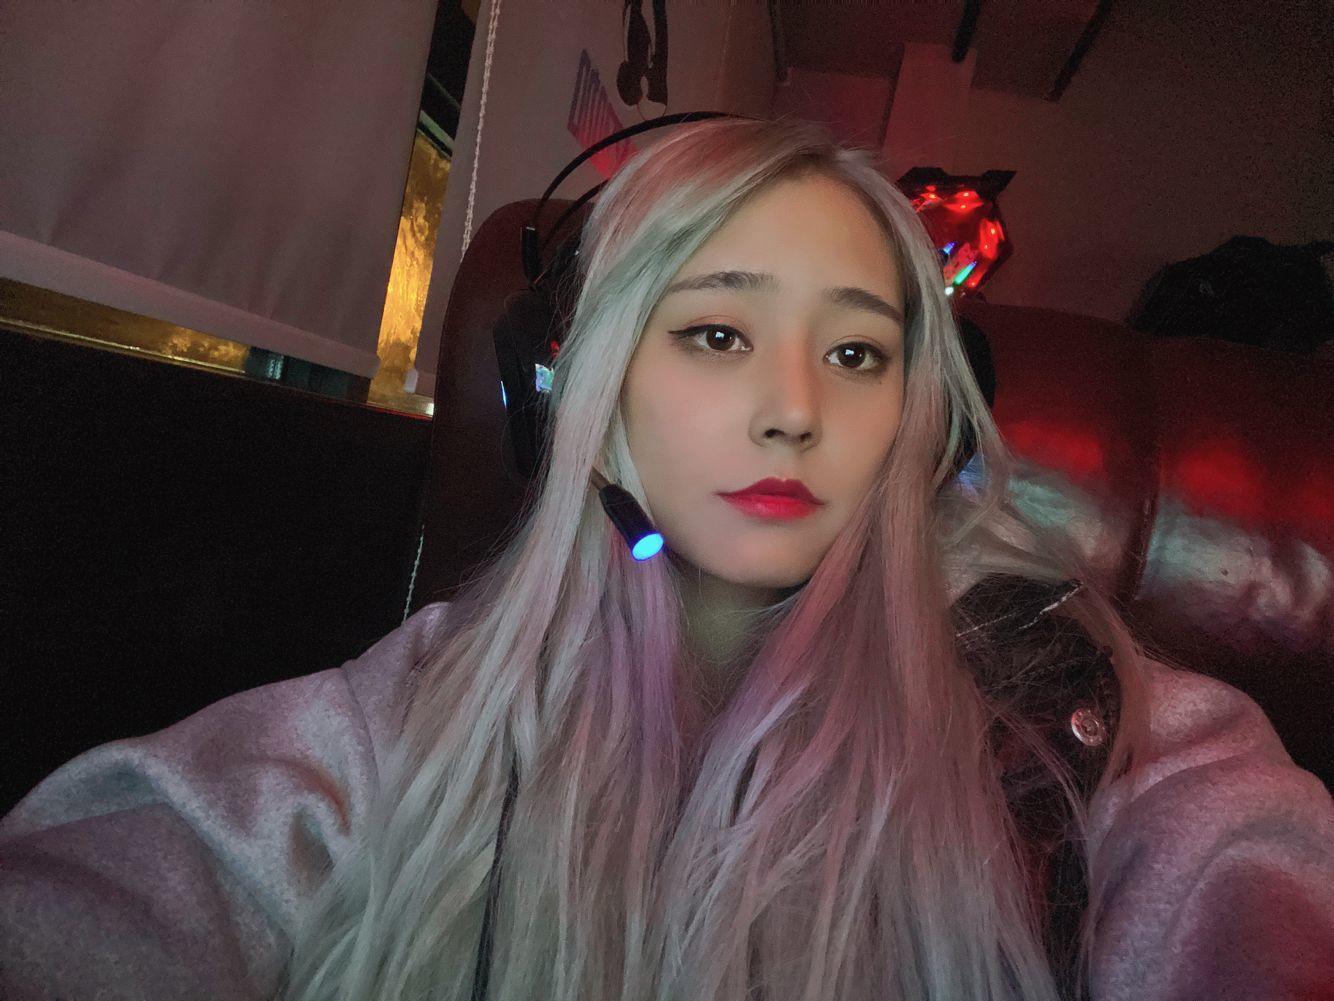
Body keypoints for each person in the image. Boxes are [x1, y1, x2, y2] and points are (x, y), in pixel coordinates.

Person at [1, 116, 1331, 1001]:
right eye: (715, 335)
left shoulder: (1079, 716)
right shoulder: (414, 717)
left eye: (855, 352)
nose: (793, 409)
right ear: (573, 388)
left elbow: (1247, 874)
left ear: (917, 428)